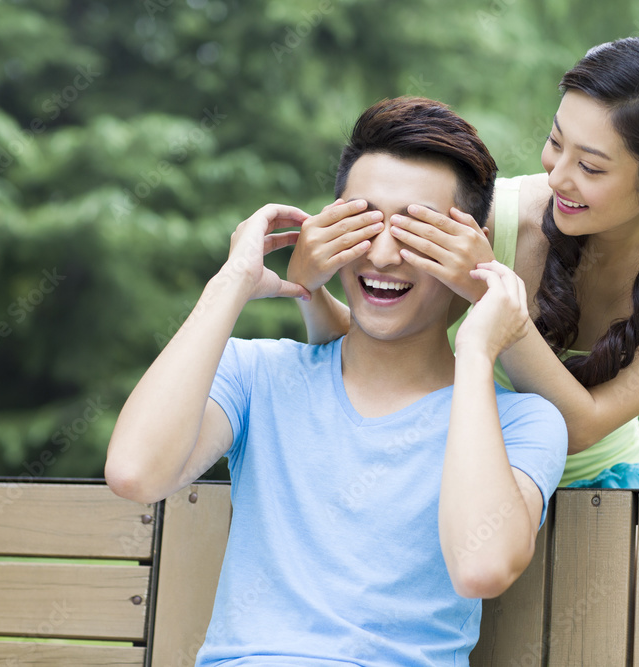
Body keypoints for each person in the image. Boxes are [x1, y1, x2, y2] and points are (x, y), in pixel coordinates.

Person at [104, 96, 567, 666]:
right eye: (362, 221)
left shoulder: (524, 422)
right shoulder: (258, 375)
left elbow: (481, 566)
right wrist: (233, 282)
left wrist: (477, 348)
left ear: (467, 249)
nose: (383, 253)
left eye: (418, 231)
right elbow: (134, 473)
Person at [288, 37, 639, 489]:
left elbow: (580, 428)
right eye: (555, 141)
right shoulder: (494, 222)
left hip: (605, 497)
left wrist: (492, 298)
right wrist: (308, 288)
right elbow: (379, 344)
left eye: (591, 167)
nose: (557, 175)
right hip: (474, 484)